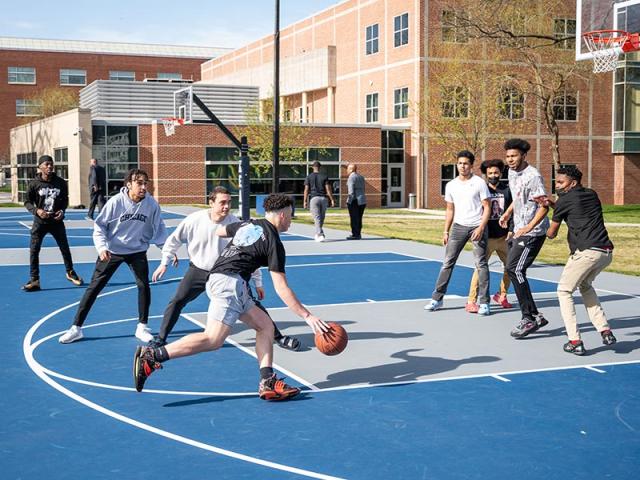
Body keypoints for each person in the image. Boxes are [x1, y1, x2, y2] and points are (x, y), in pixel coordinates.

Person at [133, 193, 329, 401]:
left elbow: (219, 231)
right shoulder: (274, 242)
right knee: (213, 339)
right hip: (229, 283)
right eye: (291, 215)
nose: (291, 219)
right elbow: (281, 287)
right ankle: (152, 356)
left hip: (231, 282)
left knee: (266, 327)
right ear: (281, 215)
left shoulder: (248, 224)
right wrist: (308, 317)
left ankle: (267, 380)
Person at [150, 186, 301, 351]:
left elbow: (251, 254)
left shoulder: (236, 223)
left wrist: (258, 282)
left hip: (229, 273)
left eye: (229, 202)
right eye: (222, 202)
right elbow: (174, 240)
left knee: (255, 305)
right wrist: (165, 261)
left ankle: (278, 337)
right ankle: (161, 339)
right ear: (211, 202)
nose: (227, 206)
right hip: (199, 270)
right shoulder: (194, 220)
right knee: (177, 301)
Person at [58, 168, 168, 344]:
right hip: (113, 251)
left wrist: (167, 250)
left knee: (143, 286)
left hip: (137, 251)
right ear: (129, 184)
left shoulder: (151, 204)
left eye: (145, 183)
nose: (143, 187)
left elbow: (159, 229)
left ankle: (142, 327)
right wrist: (101, 247)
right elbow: (99, 226)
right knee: (94, 287)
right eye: (139, 183)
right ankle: (76, 328)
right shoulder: (116, 203)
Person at [540, 165, 616, 355]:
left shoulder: (565, 200)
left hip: (586, 252)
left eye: (560, 182)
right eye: (556, 181)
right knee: (585, 286)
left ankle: (575, 340)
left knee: (564, 291)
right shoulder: (591, 194)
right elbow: (575, 210)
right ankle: (605, 330)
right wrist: (554, 205)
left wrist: (546, 210)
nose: (557, 185)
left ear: (572, 183)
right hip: (605, 252)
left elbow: (551, 234)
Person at [424, 150, 492, 315]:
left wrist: (481, 228)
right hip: (458, 228)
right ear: (457, 164)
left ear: (471, 165)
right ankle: (437, 299)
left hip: (477, 226)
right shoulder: (451, 185)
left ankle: (484, 302)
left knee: (481, 264)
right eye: (460, 163)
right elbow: (449, 210)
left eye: (466, 163)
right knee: (447, 263)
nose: (463, 166)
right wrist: (446, 231)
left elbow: (487, 207)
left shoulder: (479, 183)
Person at [498, 139, 550, 339]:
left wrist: (528, 227)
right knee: (513, 269)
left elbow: (544, 206)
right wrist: (508, 213)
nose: (510, 160)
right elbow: (518, 197)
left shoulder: (533, 176)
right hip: (519, 229)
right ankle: (535, 316)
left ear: (523, 156)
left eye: (514, 156)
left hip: (533, 232)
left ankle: (529, 318)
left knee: (515, 269)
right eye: (508, 156)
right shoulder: (511, 172)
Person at [22, 154, 83, 291]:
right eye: (46, 164)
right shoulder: (34, 184)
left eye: (51, 164)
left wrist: (62, 211)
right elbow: (27, 202)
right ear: (40, 167)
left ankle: (70, 272)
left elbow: (65, 200)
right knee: (34, 251)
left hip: (56, 222)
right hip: (40, 223)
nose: (49, 167)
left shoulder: (60, 182)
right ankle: (35, 279)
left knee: (65, 248)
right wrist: (37, 211)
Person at [466, 159, 513, 312]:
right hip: (486, 238)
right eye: (490, 173)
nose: (493, 175)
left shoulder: (507, 190)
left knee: (512, 268)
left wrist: (511, 230)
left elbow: (514, 212)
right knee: (480, 269)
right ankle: (471, 301)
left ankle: (501, 295)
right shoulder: (481, 189)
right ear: (486, 174)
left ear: (501, 173)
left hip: (503, 238)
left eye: (496, 172)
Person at [303, 161, 335, 242]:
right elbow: (328, 189)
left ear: (313, 167)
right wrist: (332, 199)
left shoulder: (309, 177)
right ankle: (319, 233)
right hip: (323, 199)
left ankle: (319, 234)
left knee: (317, 217)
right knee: (322, 217)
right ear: (320, 168)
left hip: (314, 199)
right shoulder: (324, 176)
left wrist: (305, 201)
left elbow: (306, 190)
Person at [346, 163, 367, 240]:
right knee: (359, 218)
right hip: (362, 200)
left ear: (351, 169)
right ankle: (358, 233)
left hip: (355, 200)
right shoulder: (361, 177)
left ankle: (355, 234)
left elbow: (351, 192)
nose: (347, 170)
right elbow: (363, 189)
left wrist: (349, 201)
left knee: (354, 218)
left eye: (348, 169)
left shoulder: (351, 177)